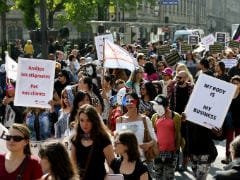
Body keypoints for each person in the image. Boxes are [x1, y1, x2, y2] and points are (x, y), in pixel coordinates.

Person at [115, 92, 157, 178]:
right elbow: (117, 140)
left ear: (137, 102)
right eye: (126, 101)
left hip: (143, 160)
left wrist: (147, 145)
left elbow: (154, 139)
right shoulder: (120, 120)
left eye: (132, 101)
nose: (129, 103)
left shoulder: (145, 119)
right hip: (126, 161)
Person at [71, 104, 115, 179]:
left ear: (94, 121)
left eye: (88, 120)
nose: (85, 124)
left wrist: (107, 177)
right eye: (82, 120)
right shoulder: (75, 139)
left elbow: (113, 165)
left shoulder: (103, 139)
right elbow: (73, 165)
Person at [151, 94, 184, 179]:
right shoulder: (154, 117)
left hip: (171, 151)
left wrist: (183, 150)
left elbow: (180, 133)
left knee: (169, 176)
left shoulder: (175, 116)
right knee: (158, 175)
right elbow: (152, 132)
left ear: (166, 106)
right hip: (158, 151)